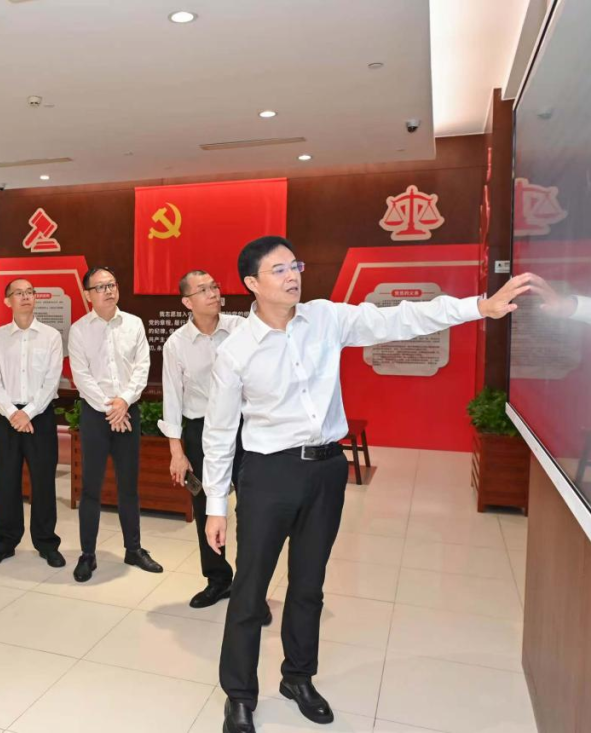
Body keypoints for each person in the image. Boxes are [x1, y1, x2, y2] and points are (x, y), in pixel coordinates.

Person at [207, 236, 532, 732]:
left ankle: (298, 678)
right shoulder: (236, 351)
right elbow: (219, 430)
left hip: (326, 470)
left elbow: (399, 319)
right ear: (252, 283)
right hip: (268, 475)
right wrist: (216, 504)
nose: (293, 276)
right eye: (279, 270)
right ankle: (239, 695)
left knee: (309, 586)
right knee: (250, 591)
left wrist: (477, 307)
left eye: (295, 265)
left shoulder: (325, 318)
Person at [158, 270, 270, 624]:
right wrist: (177, 451)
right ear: (187, 302)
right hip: (200, 431)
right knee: (206, 506)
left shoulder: (241, 329)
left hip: (244, 428)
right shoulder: (176, 344)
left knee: (252, 510)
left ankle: (251, 590)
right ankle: (218, 579)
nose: (213, 293)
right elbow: (172, 399)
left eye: (215, 287)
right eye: (202, 289)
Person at [67, 266, 163, 581]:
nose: (109, 291)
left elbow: (142, 367)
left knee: (129, 486)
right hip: (96, 415)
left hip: (127, 412)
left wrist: (124, 401)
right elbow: (81, 376)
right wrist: (111, 408)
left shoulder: (134, 324)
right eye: (101, 287)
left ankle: (133, 549)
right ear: (88, 295)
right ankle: (88, 554)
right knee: (90, 488)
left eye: (112, 284)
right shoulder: (79, 330)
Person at [0, 278, 66, 568]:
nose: (26, 297)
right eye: (19, 293)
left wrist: (27, 413)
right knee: (6, 482)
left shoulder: (51, 336)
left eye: (30, 292)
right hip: (7, 418)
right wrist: (11, 413)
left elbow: (52, 380)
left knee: (43, 482)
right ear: (8, 301)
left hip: (40, 417)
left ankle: (46, 543)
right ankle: (5, 543)